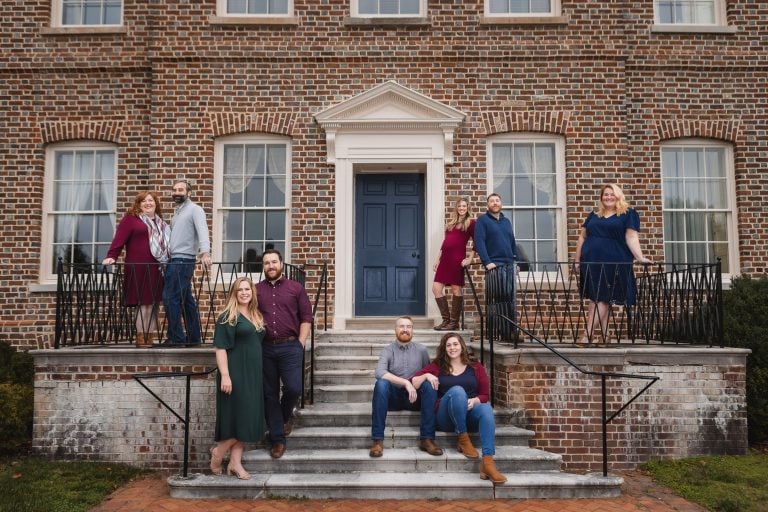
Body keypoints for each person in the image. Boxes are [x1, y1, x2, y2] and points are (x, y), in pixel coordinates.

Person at [411, 332, 507, 484]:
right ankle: (463, 439)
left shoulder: (476, 367)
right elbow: (414, 381)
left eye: (455, 344)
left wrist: (475, 400)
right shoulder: (437, 366)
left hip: (468, 414)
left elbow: (484, 395)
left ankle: (488, 463)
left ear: (461, 346)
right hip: (445, 417)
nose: (452, 348)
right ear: (444, 349)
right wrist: (427, 376)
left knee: (486, 409)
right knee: (457, 390)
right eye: (448, 345)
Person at [574, 184, 651, 346]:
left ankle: (587, 336)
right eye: (605, 194)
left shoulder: (628, 214)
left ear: (618, 196)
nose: (608, 197)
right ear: (601, 197)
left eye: (612, 194)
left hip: (614, 261)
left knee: (601, 298)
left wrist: (640, 257)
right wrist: (577, 260)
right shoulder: (594, 215)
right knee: (597, 297)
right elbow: (582, 238)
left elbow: (631, 238)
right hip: (592, 261)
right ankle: (605, 334)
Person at [256, 248, 313, 459]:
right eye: (266, 263)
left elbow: (306, 317)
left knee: (293, 388)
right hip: (265, 347)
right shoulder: (256, 290)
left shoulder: (295, 288)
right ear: (263, 266)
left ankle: (281, 418)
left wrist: (300, 343)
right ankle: (278, 439)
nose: (270, 266)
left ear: (281, 264)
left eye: (274, 262)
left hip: (290, 346)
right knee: (269, 393)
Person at [209, 277, 266, 480]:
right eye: (240, 289)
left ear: (252, 292)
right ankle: (219, 452)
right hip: (235, 374)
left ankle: (235, 463)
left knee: (249, 418)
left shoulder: (255, 315)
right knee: (240, 419)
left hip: (254, 374)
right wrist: (225, 375)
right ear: (234, 293)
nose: (244, 292)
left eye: (247, 289)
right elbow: (220, 348)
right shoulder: (228, 316)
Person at [103, 191, 170, 348]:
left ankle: (150, 338)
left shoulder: (161, 223)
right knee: (143, 304)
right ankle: (141, 338)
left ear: (156, 203)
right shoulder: (131, 220)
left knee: (153, 304)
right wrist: (112, 255)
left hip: (157, 268)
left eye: (151, 200)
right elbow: (119, 240)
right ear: (139, 204)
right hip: (138, 268)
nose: (148, 203)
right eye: (144, 201)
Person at [369, 316, 443, 458]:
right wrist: (406, 383)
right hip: (394, 398)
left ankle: (427, 439)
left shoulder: (421, 350)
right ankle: (377, 440)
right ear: (395, 330)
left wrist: (425, 377)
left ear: (412, 330)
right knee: (381, 384)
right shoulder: (387, 350)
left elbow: (428, 371)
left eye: (408, 327)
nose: (405, 329)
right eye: (401, 326)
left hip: (415, 399)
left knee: (429, 384)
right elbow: (379, 372)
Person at [162, 180, 211, 347]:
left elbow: (203, 230)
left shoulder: (195, 210)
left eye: (181, 189)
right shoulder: (176, 214)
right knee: (186, 299)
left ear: (188, 193)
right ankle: (194, 337)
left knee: (170, 297)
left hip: (182, 260)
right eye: (174, 189)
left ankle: (176, 338)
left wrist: (205, 252)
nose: (177, 192)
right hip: (175, 259)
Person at [473, 193, 520, 342]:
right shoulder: (482, 221)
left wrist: (516, 261)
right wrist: (487, 262)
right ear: (487, 205)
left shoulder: (506, 221)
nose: (495, 203)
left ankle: (512, 331)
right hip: (494, 265)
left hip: (509, 265)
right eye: (492, 201)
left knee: (510, 298)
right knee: (500, 298)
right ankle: (504, 333)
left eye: (497, 200)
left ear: (501, 203)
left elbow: (512, 242)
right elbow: (479, 242)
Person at [432, 198, 475, 331]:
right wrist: (437, 259)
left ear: (467, 208)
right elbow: (445, 243)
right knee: (436, 289)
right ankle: (446, 321)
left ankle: (454, 322)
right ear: (456, 208)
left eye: (464, 206)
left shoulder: (471, 222)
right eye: (460, 206)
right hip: (445, 259)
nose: (462, 208)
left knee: (456, 289)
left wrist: (470, 259)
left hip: (457, 259)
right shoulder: (451, 223)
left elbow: (477, 242)